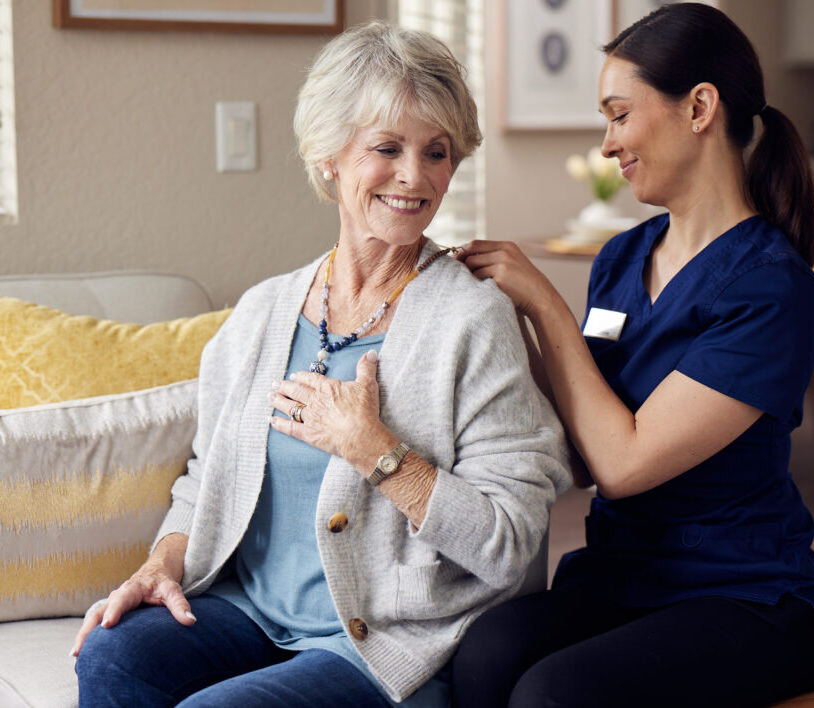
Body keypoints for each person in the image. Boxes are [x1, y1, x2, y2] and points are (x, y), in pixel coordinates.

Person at [71, 21, 571, 708]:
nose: (415, 177)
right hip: (252, 613)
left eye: (437, 152)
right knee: (112, 657)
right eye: (387, 148)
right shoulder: (262, 312)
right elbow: (204, 479)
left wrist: (380, 453)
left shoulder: (472, 320)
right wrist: (160, 566)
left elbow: (511, 540)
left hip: (391, 643)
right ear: (329, 156)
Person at [451, 4, 814, 707]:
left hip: (743, 593)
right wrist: (491, 321)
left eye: (619, 114)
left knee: (551, 697)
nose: (608, 143)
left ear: (699, 108)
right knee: (481, 660)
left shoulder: (771, 288)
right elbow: (579, 435)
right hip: (622, 572)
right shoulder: (624, 257)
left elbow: (623, 465)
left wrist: (544, 305)